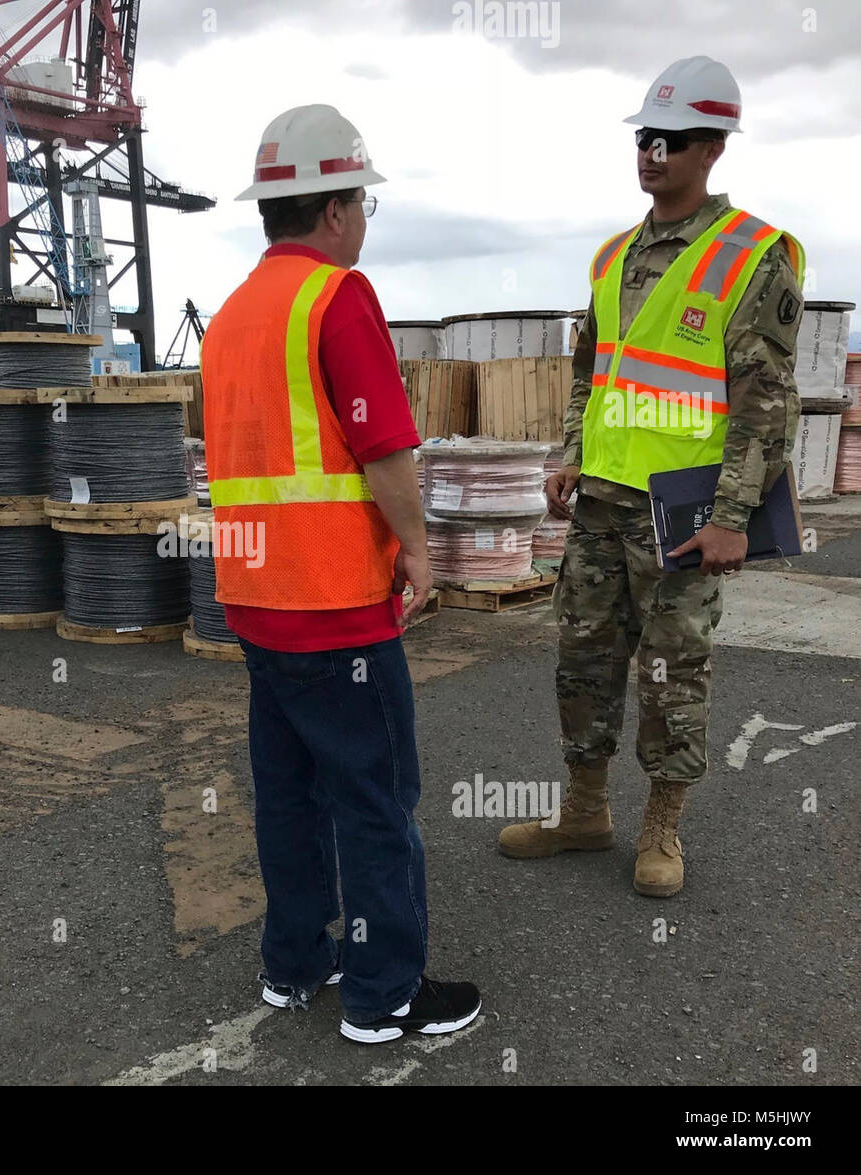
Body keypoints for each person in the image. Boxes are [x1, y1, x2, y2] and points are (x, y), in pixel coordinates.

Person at [201, 104, 481, 1043]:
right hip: (334, 603)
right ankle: (385, 993)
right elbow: (386, 451)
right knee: (373, 801)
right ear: (333, 211)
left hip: (255, 599)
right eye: (362, 201)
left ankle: (295, 962)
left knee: (287, 794)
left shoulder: (234, 313)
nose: (363, 221)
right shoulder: (338, 297)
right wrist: (419, 550)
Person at [498, 57, 805, 897]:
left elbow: (764, 400)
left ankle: (661, 825)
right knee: (583, 662)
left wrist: (737, 513)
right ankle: (585, 810)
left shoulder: (753, 255)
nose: (651, 153)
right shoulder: (612, 256)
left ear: (711, 148)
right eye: (644, 137)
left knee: (672, 672)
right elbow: (590, 372)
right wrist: (571, 451)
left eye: (668, 139)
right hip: (600, 503)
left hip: (682, 515)